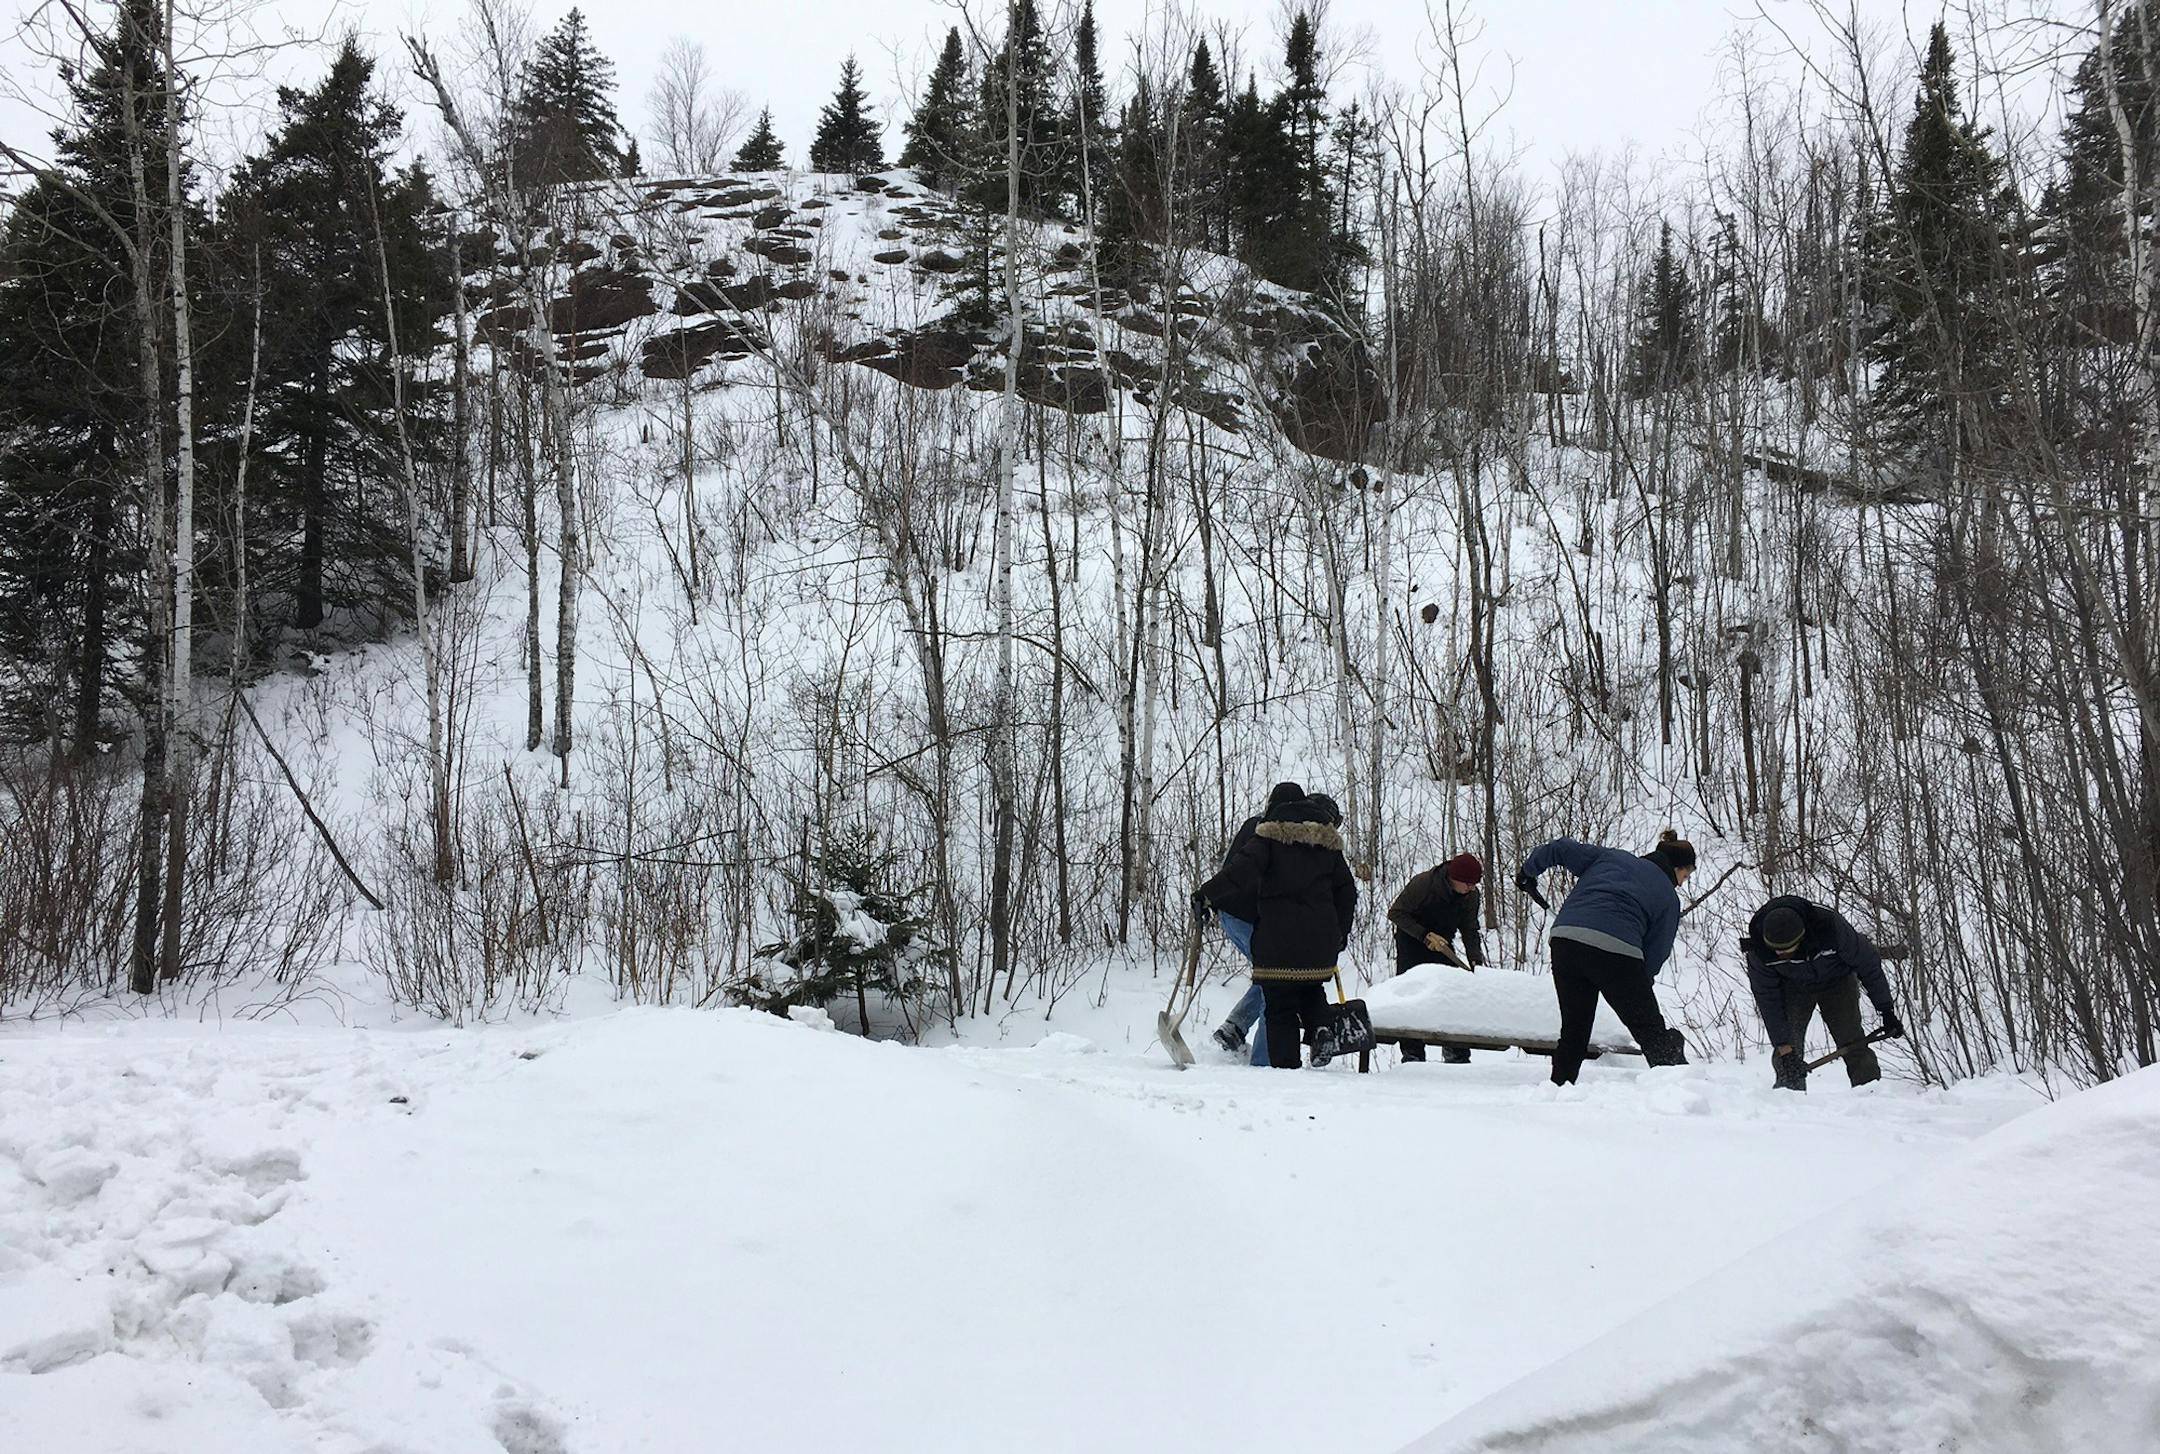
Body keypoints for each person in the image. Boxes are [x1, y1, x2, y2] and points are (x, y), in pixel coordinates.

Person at [1515, 829, 1695, 1085]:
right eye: (1685, 876)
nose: (1682, 882)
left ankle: (1559, 1088)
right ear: (1676, 868)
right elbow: (1657, 952)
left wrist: (1527, 873)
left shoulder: (1611, 858)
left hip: (1566, 941)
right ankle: (1679, 1088)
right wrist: (1640, 989)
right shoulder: (1668, 896)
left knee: (1575, 1028)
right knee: (1650, 1031)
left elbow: (1560, 848)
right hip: (1617, 952)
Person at [1197, 791, 1357, 1069]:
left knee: (1278, 996)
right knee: (1307, 987)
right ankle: (1319, 1028)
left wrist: (1207, 894)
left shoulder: (1270, 839)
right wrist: (1339, 933)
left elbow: (1239, 873)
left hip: (1276, 934)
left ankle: (1274, 1067)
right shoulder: (1325, 846)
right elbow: (1347, 892)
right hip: (1303, 936)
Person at [1744, 895, 1904, 1091]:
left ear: (1802, 938)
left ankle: (1870, 1094)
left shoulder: (1830, 928)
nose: (1780, 955)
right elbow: (1767, 997)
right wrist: (1783, 1047)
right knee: (1787, 1054)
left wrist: (1885, 1009)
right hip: (1794, 987)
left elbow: (1868, 964)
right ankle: (1788, 1101)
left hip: (1838, 981)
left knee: (1853, 1041)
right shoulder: (1759, 949)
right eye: (1776, 950)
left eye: (1786, 950)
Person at [1208, 782, 1305, 1064]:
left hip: (1235, 913)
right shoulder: (1272, 836)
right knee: (1275, 981)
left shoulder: (1257, 825)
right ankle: (1264, 1062)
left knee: (1271, 977)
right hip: (1244, 916)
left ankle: (1234, 1028)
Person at [1387, 853, 1485, 1063]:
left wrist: (1476, 960)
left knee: (1454, 993)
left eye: (1475, 884)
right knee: (1411, 995)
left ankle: (1456, 1049)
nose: (1472, 888)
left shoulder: (1471, 896)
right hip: (1412, 941)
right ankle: (1412, 1052)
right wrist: (1424, 935)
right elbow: (1396, 913)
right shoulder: (1424, 884)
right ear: (1453, 878)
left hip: (1443, 945)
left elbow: (1470, 929)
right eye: (1468, 883)